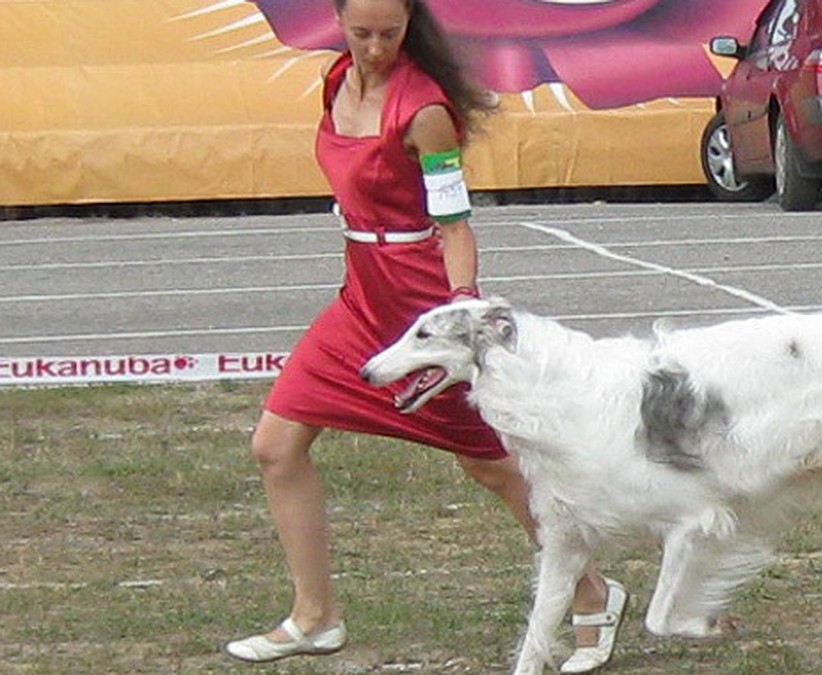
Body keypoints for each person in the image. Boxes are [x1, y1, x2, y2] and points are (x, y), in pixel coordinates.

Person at [224, 0, 626, 671]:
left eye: (390, 33)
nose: (376, 47)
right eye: (361, 33)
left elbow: (455, 227)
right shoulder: (333, 82)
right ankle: (314, 615)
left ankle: (592, 591)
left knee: (491, 465)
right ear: (339, 21)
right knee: (276, 445)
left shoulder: (424, 110)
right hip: (360, 300)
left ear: (410, 23)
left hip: (418, 304)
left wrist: (462, 308)